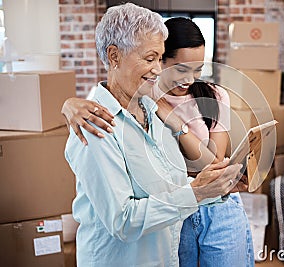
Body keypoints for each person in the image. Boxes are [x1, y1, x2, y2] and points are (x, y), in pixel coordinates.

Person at [62, 17, 254, 267]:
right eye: (151, 58)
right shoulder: (99, 123)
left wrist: (217, 188)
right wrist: (67, 105)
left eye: (157, 58)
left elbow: (168, 180)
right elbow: (123, 220)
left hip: (178, 229)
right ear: (114, 56)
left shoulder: (148, 111)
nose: (156, 69)